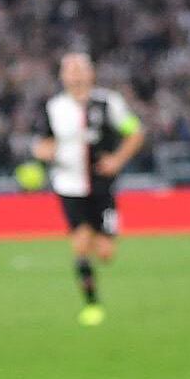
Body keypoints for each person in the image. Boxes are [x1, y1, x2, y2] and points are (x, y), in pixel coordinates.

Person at [30, 53, 144, 326]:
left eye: (81, 68)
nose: (76, 74)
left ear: (91, 73)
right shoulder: (54, 107)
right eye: (70, 69)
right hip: (69, 186)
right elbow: (42, 143)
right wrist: (44, 151)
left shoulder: (109, 103)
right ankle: (92, 304)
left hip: (103, 186)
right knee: (80, 243)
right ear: (62, 76)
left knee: (105, 253)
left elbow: (135, 131)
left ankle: (98, 239)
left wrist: (117, 160)